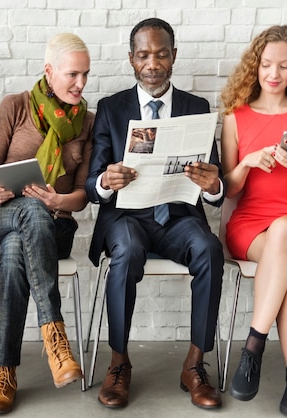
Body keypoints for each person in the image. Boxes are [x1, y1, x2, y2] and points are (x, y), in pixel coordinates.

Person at [85, 18, 224, 410]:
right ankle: (118, 362)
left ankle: (195, 365)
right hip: (127, 218)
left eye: (161, 53)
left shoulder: (197, 108)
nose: (153, 62)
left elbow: (214, 184)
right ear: (131, 59)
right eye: (144, 54)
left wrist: (212, 185)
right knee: (125, 252)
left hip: (179, 216)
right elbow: (92, 184)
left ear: (173, 56)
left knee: (210, 250)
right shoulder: (111, 109)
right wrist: (106, 181)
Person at [0, 32, 93, 414]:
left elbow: (82, 195)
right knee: (27, 214)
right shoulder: (15, 107)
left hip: (54, 225)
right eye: (73, 74)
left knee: (18, 246)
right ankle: (56, 339)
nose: (81, 83)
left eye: (86, 75)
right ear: (49, 71)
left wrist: (58, 200)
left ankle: (3, 372)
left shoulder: (87, 123)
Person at [220, 25, 287, 415]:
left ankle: (253, 348)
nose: (274, 74)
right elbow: (227, 190)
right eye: (266, 64)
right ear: (255, 66)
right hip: (250, 225)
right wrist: (246, 161)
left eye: (283, 66)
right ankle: (255, 348)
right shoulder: (236, 117)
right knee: (281, 232)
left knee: (285, 245)